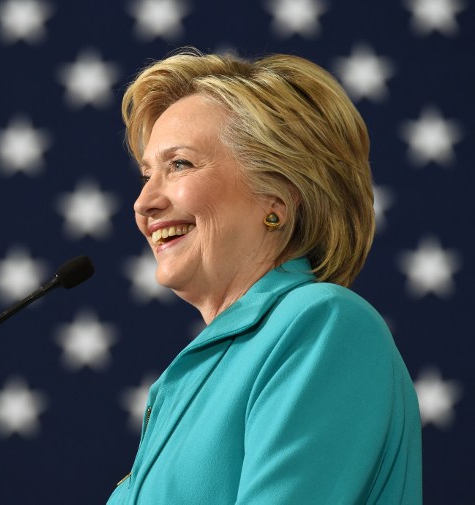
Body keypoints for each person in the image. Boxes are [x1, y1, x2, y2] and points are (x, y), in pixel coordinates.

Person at [107, 49, 422, 504]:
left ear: (276, 198)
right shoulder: (204, 370)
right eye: (145, 174)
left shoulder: (322, 325)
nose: (143, 203)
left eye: (179, 165)